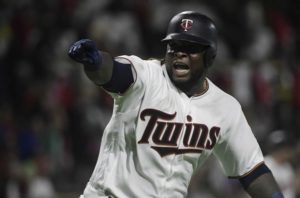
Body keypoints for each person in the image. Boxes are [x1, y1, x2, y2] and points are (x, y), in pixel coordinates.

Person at [68, 11, 283, 198]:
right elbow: (113, 73)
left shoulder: (226, 108)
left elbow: (253, 172)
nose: (180, 52)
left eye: (190, 48)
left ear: (210, 56)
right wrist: (95, 62)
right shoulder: (147, 76)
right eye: (174, 46)